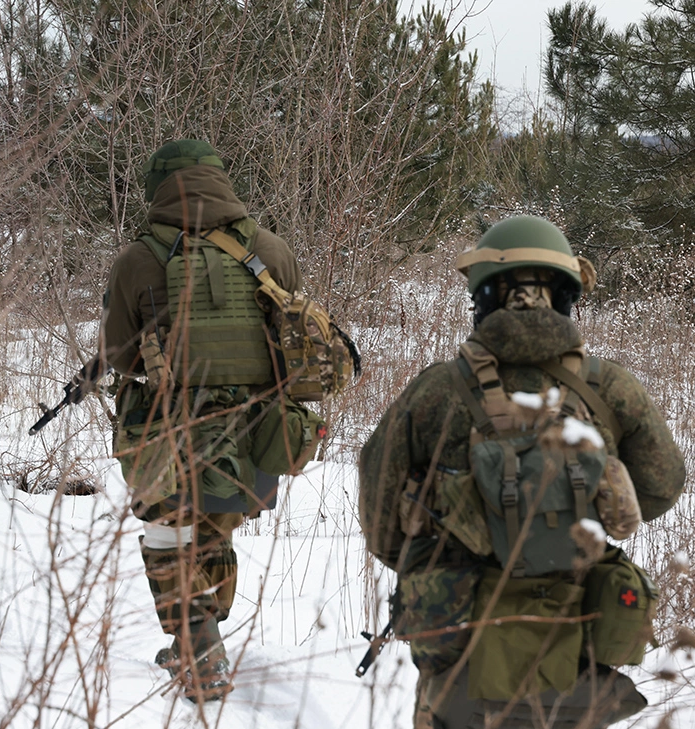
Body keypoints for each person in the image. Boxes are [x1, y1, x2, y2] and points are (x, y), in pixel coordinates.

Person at [358, 215, 686, 728]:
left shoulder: (436, 391)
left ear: (484, 298)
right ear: (565, 296)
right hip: (574, 652)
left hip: (457, 653)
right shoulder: (611, 390)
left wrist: (439, 551)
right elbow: (663, 489)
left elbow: (381, 518)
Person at [101, 139, 323, 702]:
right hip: (257, 433)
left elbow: (121, 356)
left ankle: (201, 649)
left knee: (167, 536)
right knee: (214, 528)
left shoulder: (138, 258)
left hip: (165, 430)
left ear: (158, 186)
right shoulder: (270, 249)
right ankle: (199, 634)